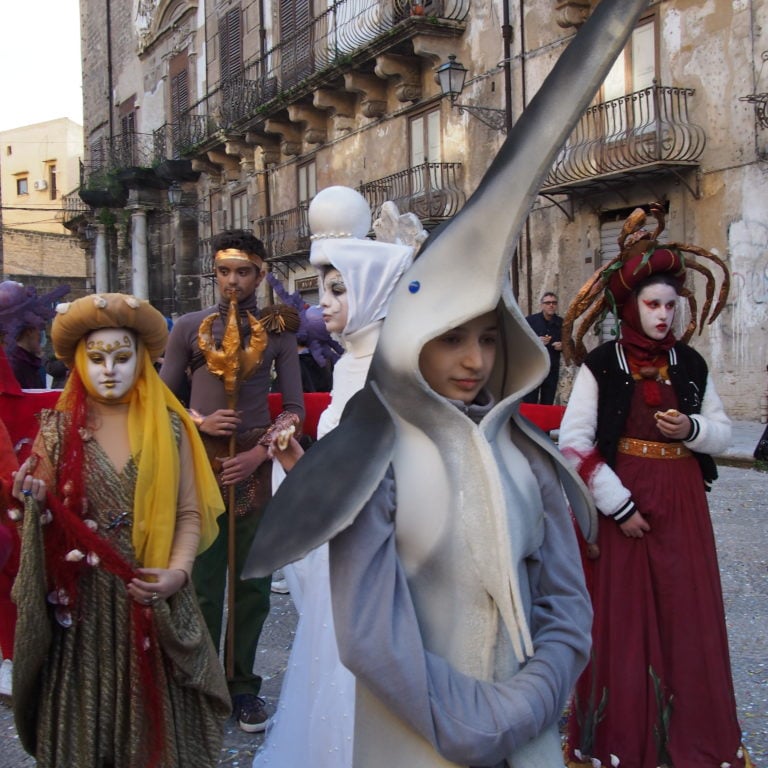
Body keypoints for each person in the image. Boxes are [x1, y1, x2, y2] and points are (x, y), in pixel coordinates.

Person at [559, 206, 750, 768]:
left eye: (670, 305)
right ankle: (623, 744)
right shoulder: (600, 365)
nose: (663, 315)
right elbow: (574, 443)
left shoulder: (689, 363)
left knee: (688, 618)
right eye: (652, 305)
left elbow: (722, 432)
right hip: (629, 509)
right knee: (626, 622)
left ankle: (694, 739)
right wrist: (618, 507)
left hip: (684, 507)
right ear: (629, 307)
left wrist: (691, 429)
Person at [10, 292, 230, 768]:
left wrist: (178, 573)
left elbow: (189, 513)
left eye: (122, 357)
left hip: (152, 595)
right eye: (96, 358)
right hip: (81, 613)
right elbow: (44, 515)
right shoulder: (57, 430)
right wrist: (31, 498)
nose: (109, 369)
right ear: (78, 365)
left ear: (143, 362)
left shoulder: (172, 429)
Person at [253, 188, 421, 768]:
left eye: (337, 289)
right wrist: (295, 459)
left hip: (382, 560)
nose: (320, 304)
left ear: (374, 289)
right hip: (343, 555)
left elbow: (392, 479)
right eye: (320, 289)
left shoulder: (391, 371)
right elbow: (338, 473)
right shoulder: (352, 362)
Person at [160, 229, 305, 733]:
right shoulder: (186, 328)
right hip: (198, 466)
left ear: (260, 274)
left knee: (252, 584)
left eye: (244, 272)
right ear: (213, 273)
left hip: (252, 469)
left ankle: (243, 685)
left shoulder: (281, 332)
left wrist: (260, 453)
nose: (233, 281)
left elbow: (293, 411)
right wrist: (200, 422)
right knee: (198, 583)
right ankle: (200, 681)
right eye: (224, 271)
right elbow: (161, 401)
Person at [0, 280, 69, 390]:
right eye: (38, 329)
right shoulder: (14, 366)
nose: (40, 335)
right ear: (29, 331)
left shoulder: (24, 362)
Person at [522, 291, 562, 405]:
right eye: (548, 303)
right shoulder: (530, 321)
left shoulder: (561, 322)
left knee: (548, 402)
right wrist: (536, 341)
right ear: (542, 305)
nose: (551, 305)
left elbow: (569, 342)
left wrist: (562, 345)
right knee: (530, 402)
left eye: (554, 303)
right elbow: (520, 342)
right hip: (533, 368)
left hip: (551, 368)